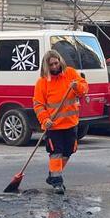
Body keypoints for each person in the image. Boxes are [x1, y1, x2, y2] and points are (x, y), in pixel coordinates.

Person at [33, 49, 88, 195]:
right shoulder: (42, 82)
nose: (55, 67)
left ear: (60, 61)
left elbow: (84, 90)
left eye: (56, 63)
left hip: (71, 123)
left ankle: (52, 175)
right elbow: (38, 105)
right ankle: (57, 182)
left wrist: (76, 86)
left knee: (68, 152)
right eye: (51, 65)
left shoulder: (70, 73)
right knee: (56, 153)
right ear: (46, 66)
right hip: (54, 126)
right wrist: (45, 119)